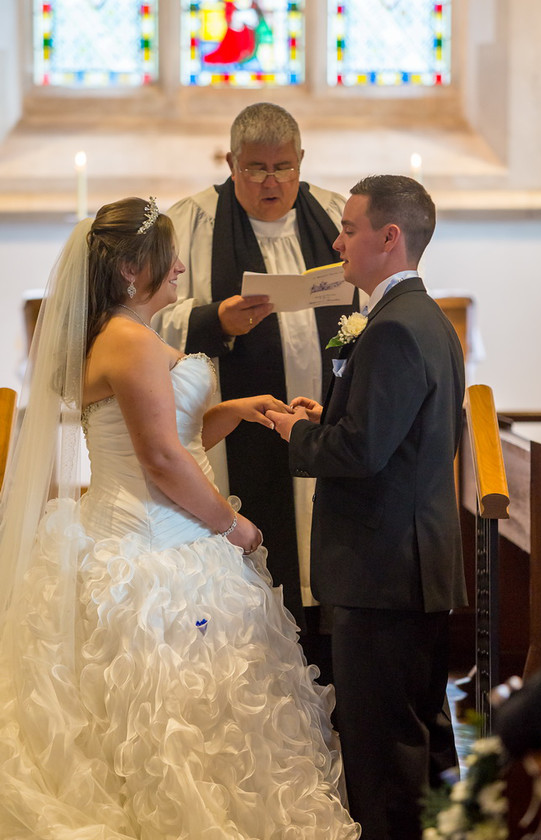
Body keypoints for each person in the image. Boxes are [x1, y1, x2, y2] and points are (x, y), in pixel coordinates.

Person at [0, 196, 360, 839]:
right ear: (134, 270)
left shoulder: (117, 336)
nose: (180, 273)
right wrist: (234, 526)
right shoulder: (132, 342)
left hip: (132, 526)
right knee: (177, 723)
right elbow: (163, 461)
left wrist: (237, 408)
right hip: (154, 547)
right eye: (168, 262)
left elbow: (175, 436)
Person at [268, 175, 467, 840]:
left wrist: (294, 431)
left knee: (383, 759)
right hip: (406, 568)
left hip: (382, 573)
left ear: (389, 237)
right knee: (418, 743)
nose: (335, 240)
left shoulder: (393, 330)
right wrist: (335, 416)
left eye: (349, 229)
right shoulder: (421, 319)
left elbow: (360, 455)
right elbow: (392, 434)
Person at [153, 103, 359, 667]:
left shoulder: (337, 216)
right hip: (238, 433)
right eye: (256, 168)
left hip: (322, 426)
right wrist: (216, 320)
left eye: (284, 167)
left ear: (301, 161)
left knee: (320, 571)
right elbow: (148, 316)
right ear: (231, 163)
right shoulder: (190, 223)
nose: (272, 181)